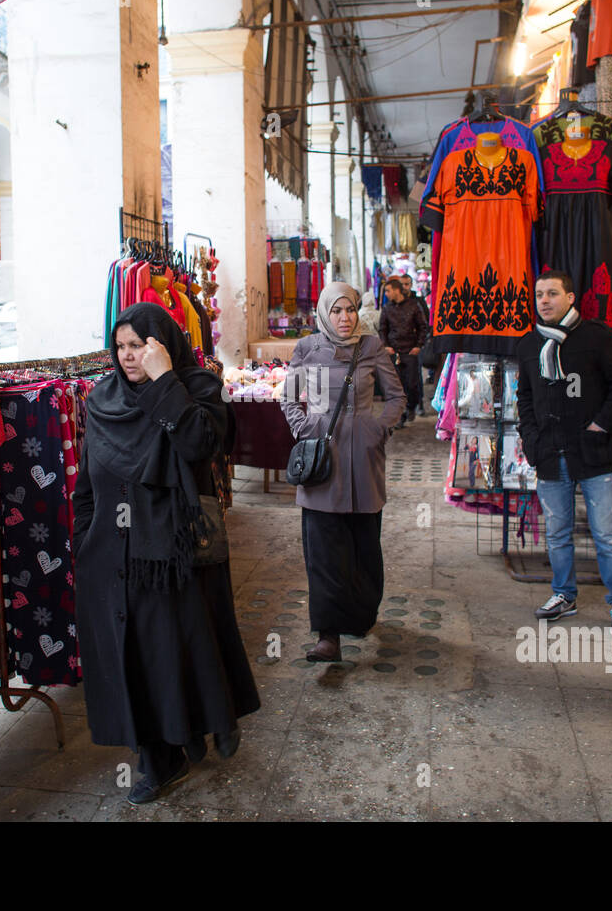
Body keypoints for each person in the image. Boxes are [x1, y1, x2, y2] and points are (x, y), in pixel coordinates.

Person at [73, 302, 260, 804]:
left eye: (140, 345)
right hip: (114, 552)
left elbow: (200, 444)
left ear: (163, 344)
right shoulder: (103, 399)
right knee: (134, 658)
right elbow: (88, 479)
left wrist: (162, 382)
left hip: (174, 551)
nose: (129, 356)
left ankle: (193, 732)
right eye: (121, 347)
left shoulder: (196, 388)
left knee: (177, 650)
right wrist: (83, 540)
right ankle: (157, 758)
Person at [281, 282, 405, 662]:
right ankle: (328, 635)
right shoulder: (308, 348)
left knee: (364, 546)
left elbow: (397, 396)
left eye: (350, 309)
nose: (345, 318)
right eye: (336, 311)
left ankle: (361, 615)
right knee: (323, 551)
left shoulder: (371, 348)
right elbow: (290, 396)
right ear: (324, 313)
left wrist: (378, 428)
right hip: (323, 460)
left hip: (364, 461)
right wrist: (305, 428)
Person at [515, 272, 612, 638]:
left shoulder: (596, 337)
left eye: (552, 293)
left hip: (593, 453)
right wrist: (531, 438)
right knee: (557, 532)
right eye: (539, 294)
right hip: (550, 454)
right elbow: (525, 397)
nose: (544, 300)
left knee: (608, 535)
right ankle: (563, 595)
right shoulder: (529, 344)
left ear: (570, 297)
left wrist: (601, 425)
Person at [378, 277, 429, 425]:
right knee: (396, 386)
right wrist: (386, 345)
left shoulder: (414, 306)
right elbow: (383, 329)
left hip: (410, 352)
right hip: (394, 352)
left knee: (412, 384)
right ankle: (400, 415)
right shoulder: (387, 309)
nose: (386, 294)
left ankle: (411, 406)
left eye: (388, 290)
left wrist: (419, 345)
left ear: (396, 290)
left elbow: (423, 327)